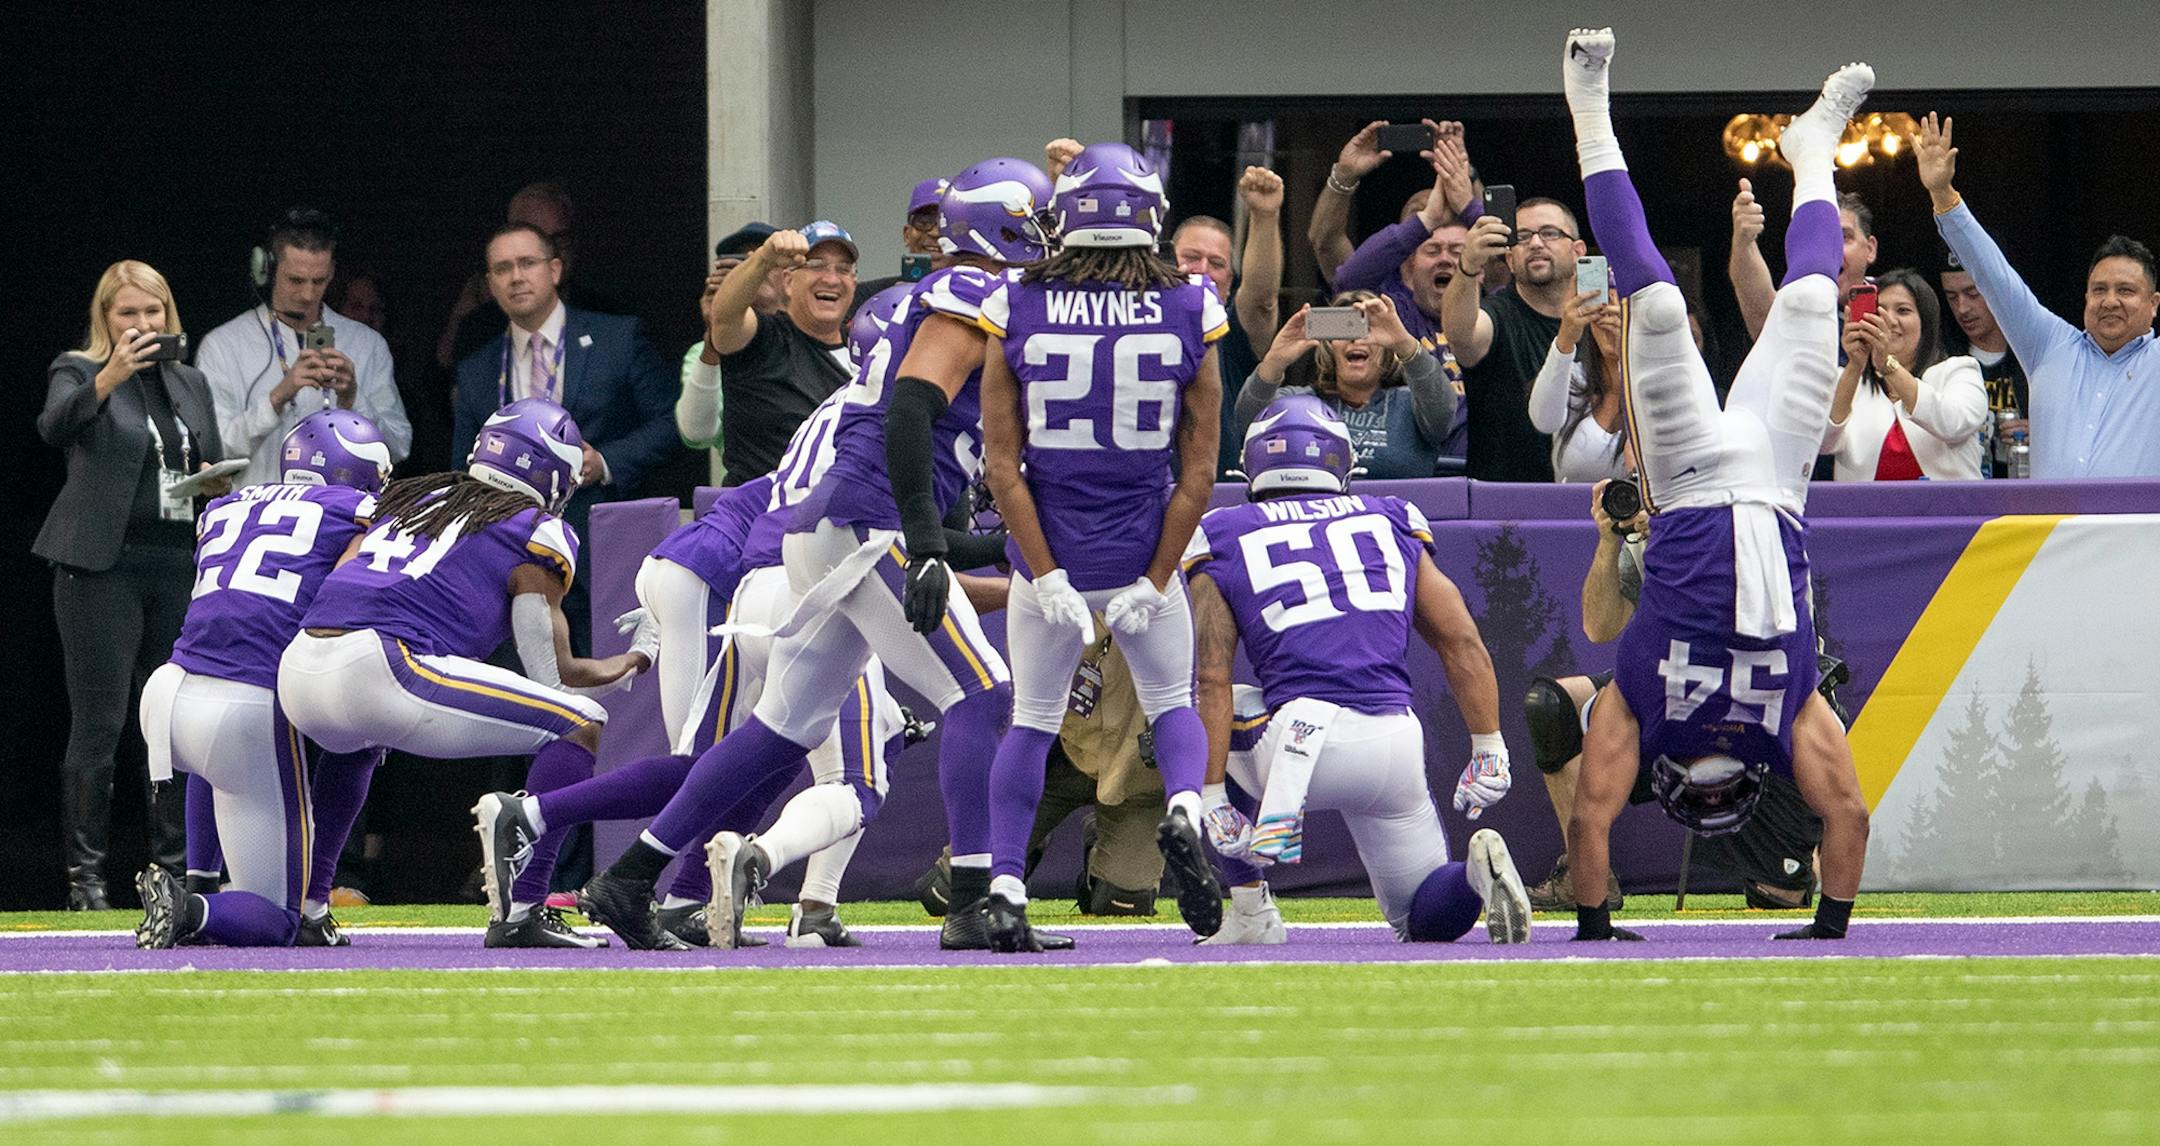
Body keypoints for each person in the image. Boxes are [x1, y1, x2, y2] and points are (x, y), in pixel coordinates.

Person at [574, 157, 1057, 954]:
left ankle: (628, 877)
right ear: (1006, 227)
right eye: (1039, 222)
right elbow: (909, 414)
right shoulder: (973, 292)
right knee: (981, 691)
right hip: (866, 522)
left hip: (833, 523)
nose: (1050, 240)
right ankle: (975, 898)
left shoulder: (958, 298)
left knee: (783, 726)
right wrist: (928, 541)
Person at [1555, 28, 1870, 943]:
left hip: (1690, 485)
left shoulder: (1643, 708)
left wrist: (1592, 926)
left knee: (1651, 300)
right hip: (1776, 488)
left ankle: (1588, 109)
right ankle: (1813, 150)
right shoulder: (1791, 717)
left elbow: (1589, 819)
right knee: (1813, 298)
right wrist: (1832, 923)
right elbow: (1845, 815)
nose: (1717, 770)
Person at [278, 399, 660, 949]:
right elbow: (553, 676)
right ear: (549, 470)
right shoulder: (536, 527)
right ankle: (525, 908)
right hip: (381, 663)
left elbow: (340, 580)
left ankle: (311, 907)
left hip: (302, 664)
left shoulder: (410, 498)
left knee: (354, 744)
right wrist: (640, 654)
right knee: (579, 721)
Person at [972, 141, 1226, 950]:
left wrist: (1043, 572)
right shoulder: (1191, 305)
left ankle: (1007, 889)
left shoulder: (1015, 302)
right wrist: (1157, 577)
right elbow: (1200, 469)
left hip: (1050, 550)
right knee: (1172, 703)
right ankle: (1186, 808)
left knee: (1033, 719)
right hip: (1144, 547)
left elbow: (1001, 464)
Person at [1186, 396, 1531, 944]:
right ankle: (1474, 873)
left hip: (1295, 745)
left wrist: (1209, 795)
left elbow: (1211, 678)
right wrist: (1489, 744)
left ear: (1252, 464)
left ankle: (1251, 913)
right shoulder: (1391, 516)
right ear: (1342, 461)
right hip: (1392, 740)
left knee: (1185, 714)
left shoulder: (1223, 530)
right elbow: (1460, 640)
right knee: (1420, 916)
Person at [133, 411, 393, 948]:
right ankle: (195, 908)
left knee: (215, 764)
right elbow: (350, 594)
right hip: (245, 711)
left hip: (168, 692)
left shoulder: (224, 507)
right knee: (284, 921)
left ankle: (196, 881)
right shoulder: (361, 511)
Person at [1521, 480, 1827, 913]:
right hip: (1676, 689)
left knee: (1777, 898)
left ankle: (1797, 854)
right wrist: (1609, 542)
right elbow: (1598, 628)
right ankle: (1584, 876)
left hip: (1760, 696)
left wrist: (1676, 529)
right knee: (1554, 707)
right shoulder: (1652, 527)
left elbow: (1735, 614)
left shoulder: (1751, 508)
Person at [37, 260, 230, 910]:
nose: (142, 325)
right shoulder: (79, 369)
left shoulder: (190, 379)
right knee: (101, 722)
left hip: (177, 563)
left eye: (152, 312)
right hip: (101, 566)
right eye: (127, 314)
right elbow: (54, 426)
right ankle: (86, 883)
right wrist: (113, 372)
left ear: (168, 314)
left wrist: (213, 477)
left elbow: (205, 451)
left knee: (172, 720)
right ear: (106, 319)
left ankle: (173, 875)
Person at [450, 223, 678, 649]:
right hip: (510, 558)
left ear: (555, 270)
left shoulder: (618, 338)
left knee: (607, 677)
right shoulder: (477, 369)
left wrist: (605, 462)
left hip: (601, 547)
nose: (516, 276)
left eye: (527, 263)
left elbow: (671, 424)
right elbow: (460, 467)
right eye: (502, 269)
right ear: (490, 285)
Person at [1915, 112, 2160, 478]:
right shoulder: (2050, 345)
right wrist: (1943, 195)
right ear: (2086, 298)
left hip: (2137, 535)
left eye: (2126, 291)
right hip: (2051, 534)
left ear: (2153, 304)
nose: (2110, 301)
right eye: (2099, 290)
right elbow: (1993, 275)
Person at [194, 209, 412, 490]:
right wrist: (276, 398)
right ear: (267, 270)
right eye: (296, 280)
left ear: (332, 271)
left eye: (319, 281)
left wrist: (352, 401)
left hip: (343, 521)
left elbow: (398, 449)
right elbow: (212, 452)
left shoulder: (367, 344)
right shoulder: (224, 345)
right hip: (259, 519)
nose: (308, 294)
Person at [1329, 124, 1479, 461]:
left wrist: (1468, 199)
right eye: (1432, 250)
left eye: (1458, 252)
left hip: (1481, 473)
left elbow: (1511, 254)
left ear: (1479, 269)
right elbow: (1348, 281)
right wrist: (1426, 220)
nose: (1445, 259)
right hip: (1408, 468)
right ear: (1407, 267)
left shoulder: (1494, 313)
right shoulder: (1392, 310)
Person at [1443, 179, 1585, 481]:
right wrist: (1468, 265)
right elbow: (1461, 335)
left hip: (1590, 500)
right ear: (1509, 257)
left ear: (1578, 251)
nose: (1535, 243)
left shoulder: (1600, 320)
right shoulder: (1498, 315)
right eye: (1521, 237)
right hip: (1504, 506)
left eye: (1549, 233)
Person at [1236, 292, 1457, 479]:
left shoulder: (1411, 403)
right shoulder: (1301, 401)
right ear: (1330, 346)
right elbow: (1249, 424)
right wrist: (1275, 360)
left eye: (1366, 329)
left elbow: (1443, 412)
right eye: (1344, 329)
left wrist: (1404, 343)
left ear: (1387, 347)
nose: (1355, 339)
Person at [704, 221, 861, 484]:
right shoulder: (765, 338)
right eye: (816, 265)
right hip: (762, 514)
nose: (832, 279)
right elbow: (724, 316)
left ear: (854, 284)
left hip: (846, 513)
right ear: (788, 281)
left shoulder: (867, 352)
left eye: (843, 269)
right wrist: (765, 258)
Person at [1165, 169, 1285, 476]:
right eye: (1191, 257)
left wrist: (1264, 214)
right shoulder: (1134, 317)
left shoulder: (1227, 331)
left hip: (1220, 495)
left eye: (1217, 263)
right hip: (1147, 495)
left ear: (1229, 283)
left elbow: (1261, 299)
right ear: (1167, 263)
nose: (1203, 269)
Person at [1822, 268, 1987, 480]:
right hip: (1866, 512)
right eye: (1880, 310)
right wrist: (1855, 365)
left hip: (1947, 511)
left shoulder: (1959, 371)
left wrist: (1887, 365)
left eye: (1903, 310)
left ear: (1925, 323)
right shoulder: (1848, 381)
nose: (1889, 320)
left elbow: (1952, 424)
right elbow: (1824, 442)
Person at [675, 222, 781, 481]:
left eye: (763, 260)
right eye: (743, 263)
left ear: (790, 277)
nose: (755, 270)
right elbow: (696, 434)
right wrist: (716, 334)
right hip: (746, 498)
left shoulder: (813, 338)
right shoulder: (703, 352)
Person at [1731, 184, 1879, 341]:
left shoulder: (1895, 302)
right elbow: (1762, 314)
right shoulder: (1798, 308)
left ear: (1870, 249)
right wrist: (1744, 241)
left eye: (1844, 237)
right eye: (1819, 240)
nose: (1830, 250)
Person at [1527, 288, 1632, 483]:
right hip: (1570, 511)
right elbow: (1543, 421)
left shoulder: (1659, 384)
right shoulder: (1574, 377)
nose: (1610, 317)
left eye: (1622, 310)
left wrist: (1628, 353)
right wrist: (1565, 339)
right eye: (1602, 307)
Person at [1940, 252, 2030, 477]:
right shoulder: (1940, 360)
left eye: (1973, 293)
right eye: (1952, 297)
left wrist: (2046, 435)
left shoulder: (2036, 356)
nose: (1962, 308)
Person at [852, 178, 948, 309]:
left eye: (946, 223)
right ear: (907, 235)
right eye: (924, 221)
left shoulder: (981, 299)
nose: (935, 233)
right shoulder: (865, 297)